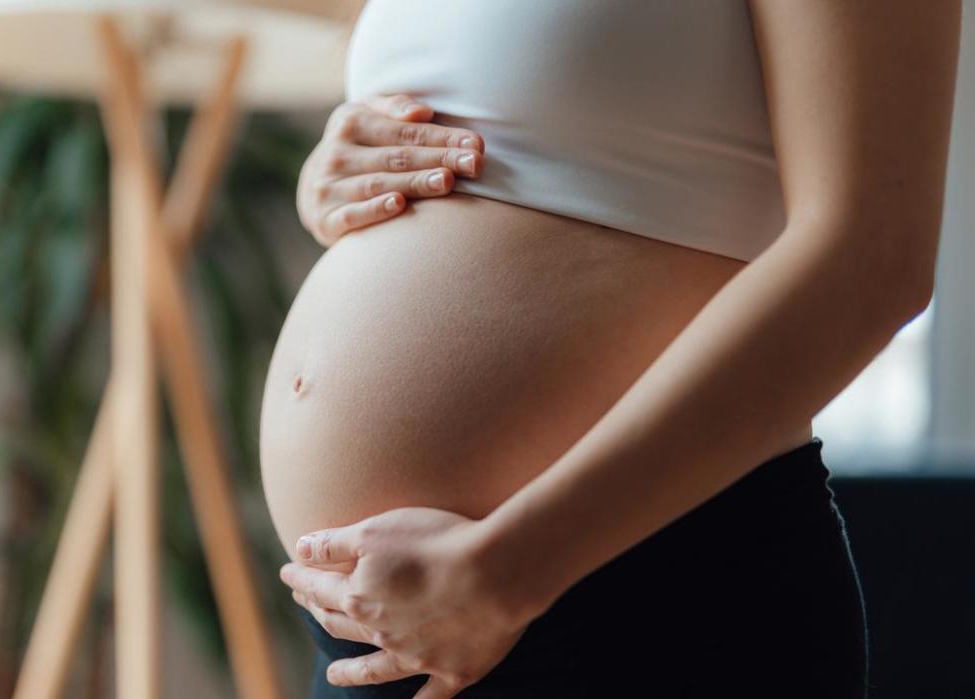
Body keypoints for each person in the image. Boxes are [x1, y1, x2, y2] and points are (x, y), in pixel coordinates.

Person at [259, 1, 963, 697]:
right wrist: (338, 176)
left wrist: (506, 572)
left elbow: (872, 259)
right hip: (397, 625)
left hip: (638, 603)